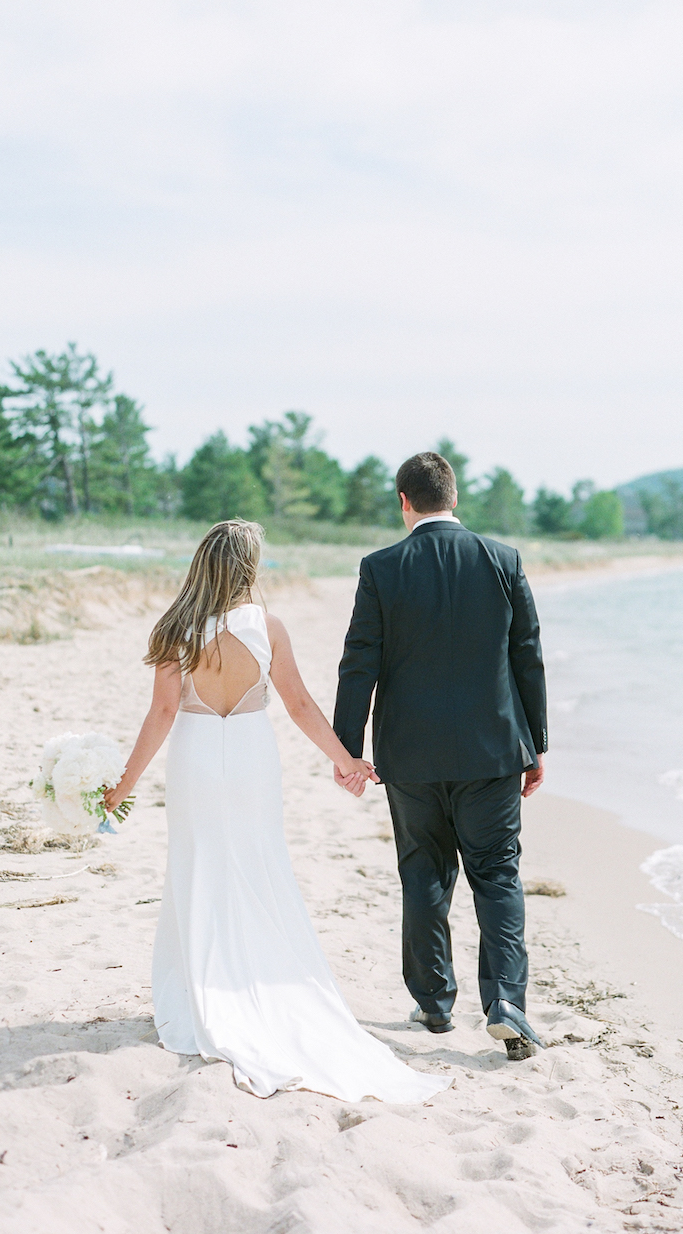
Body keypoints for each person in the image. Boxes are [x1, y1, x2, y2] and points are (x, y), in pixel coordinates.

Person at [103, 519, 449, 1103]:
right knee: (259, 864)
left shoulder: (176, 629)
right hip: (250, 759)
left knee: (197, 864)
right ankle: (258, 977)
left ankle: (202, 987)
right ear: (248, 569)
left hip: (194, 758)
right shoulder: (268, 627)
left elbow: (161, 714)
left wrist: (120, 788)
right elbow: (299, 704)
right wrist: (348, 760)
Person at [334, 452, 548, 1060]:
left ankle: (434, 1002)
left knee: (423, 872)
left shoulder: (381, 568)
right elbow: (527, 657)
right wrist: (536, 746)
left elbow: (359, 663)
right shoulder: (502, 560)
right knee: (497, 874)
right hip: (493, 753)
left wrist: (349, 749)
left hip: (411, 757)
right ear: (454, 497)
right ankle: (506, 1001)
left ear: (405, 501)